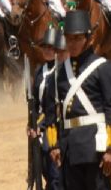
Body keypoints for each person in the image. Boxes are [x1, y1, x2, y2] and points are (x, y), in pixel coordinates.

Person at [49, 11, 111, 189]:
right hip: (69, 148)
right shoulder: (60, 72)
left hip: (95, 147)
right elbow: (52, 109)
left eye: (77, 38)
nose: (72, 44)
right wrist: (54, 144)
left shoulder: (103, 67)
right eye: (68, 39)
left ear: (88, 39)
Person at [35, 24, 64, 190]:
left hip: (54, 127)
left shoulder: (61, 71)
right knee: (44, 171)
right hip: (39, 128)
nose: (47, 50)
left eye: (51, 47)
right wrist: (32, 124)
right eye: (45, 47)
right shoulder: (40, 71)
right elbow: (35, 103)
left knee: (56, 177)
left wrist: (42, 123)